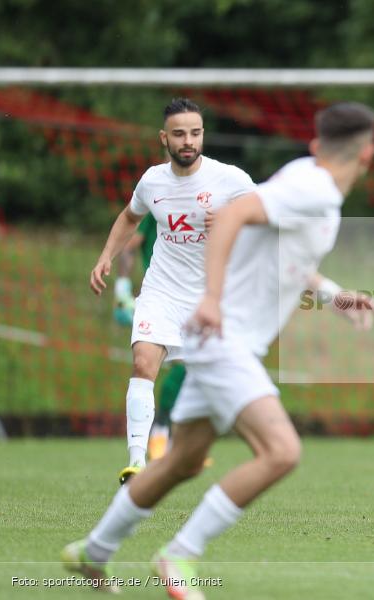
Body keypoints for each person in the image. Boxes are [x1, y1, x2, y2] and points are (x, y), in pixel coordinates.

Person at [62, 102, 374, 598]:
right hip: (224, 339)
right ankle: (179, 554)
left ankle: (93, 551)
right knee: (281, 451)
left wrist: (333, 295)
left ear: (318, 144)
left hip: (225, 341)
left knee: (183, 462)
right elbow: (233, 215)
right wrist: (212, 298)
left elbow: (283, 255)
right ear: (367, 155)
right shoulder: (314, 188)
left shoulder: (307, 183)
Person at [88, 98, 255, 484]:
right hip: (161, 291)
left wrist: (231, 219)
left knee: (215, 383)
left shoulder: (229, 179)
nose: (188, 141)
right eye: (179, 134)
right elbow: (130, 217)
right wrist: (105, 257)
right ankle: (137, 463)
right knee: (143, 363)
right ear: (164, 138)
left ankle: (195, 448)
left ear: (202, 135)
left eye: (195, 133)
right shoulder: (152, 181)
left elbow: (269, 217)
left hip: (210, 297)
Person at [112, 214, 186, 461]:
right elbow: (129, 244)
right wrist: (122, 287)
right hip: (161, 301)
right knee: (147, 365)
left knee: (195, 370)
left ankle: (176, 440)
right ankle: (157, 436)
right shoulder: (155, 204)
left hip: (196, 296)